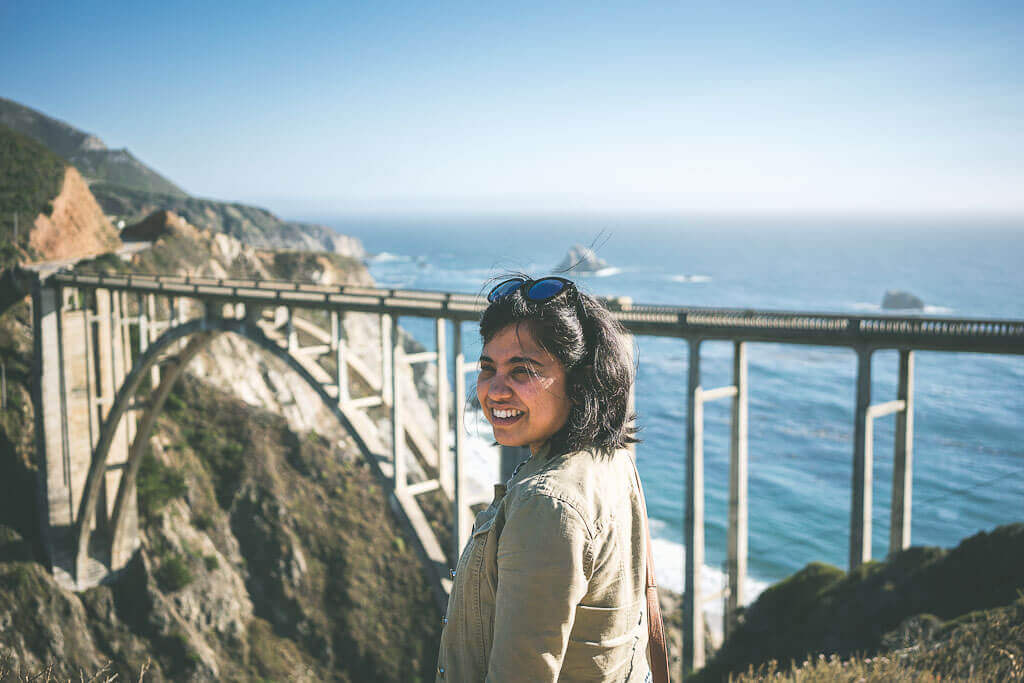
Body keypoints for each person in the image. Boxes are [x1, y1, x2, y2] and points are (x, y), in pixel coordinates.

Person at [436, 275, 659, 682]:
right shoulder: (610, 458)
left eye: (522, 371)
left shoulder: (547, 502)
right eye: (488, 368)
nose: (494, 390)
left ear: (578, 382)